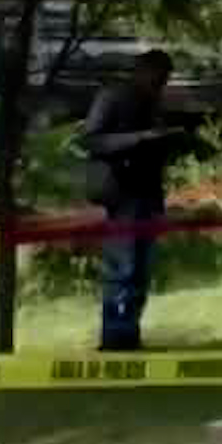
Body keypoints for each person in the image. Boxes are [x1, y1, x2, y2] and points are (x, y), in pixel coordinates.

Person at [81, 49, 185, 352]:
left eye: (166, 78)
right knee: (122, 269)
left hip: (148, 194)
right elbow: (91, 140)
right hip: (122, 194)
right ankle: (114, 339)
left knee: (141, 271)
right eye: (158, 76)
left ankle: (129, 336)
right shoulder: (111, 96)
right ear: (142, 71)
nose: (162, 83)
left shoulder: (154, 102)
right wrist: (139, 138)